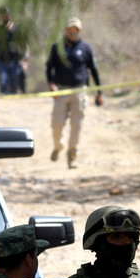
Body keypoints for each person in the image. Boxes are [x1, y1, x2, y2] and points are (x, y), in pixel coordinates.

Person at [45, 17, 104, 169]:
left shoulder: (85, 48)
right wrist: (51, 84)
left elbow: (94, 70)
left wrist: (99, 92)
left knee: (76, 125)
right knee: (57, 124)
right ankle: (58, 147)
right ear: (66, 30)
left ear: (79, 31)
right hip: (62, 91)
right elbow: (49, 67)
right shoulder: (57, 48)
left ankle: (72, 154)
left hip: (80, 91)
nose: (72, 32)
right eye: (70, 29)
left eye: (75, 30)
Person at [0, 7, 27, 94]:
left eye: (7, 15)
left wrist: (24, 60)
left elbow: (24, 45)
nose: (5, 17)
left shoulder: (17, 29)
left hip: (15, 60)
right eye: (3, 15)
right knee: (3, 80)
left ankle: (13, 98)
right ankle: (5, 98)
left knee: (15, 81)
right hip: (0, 60)